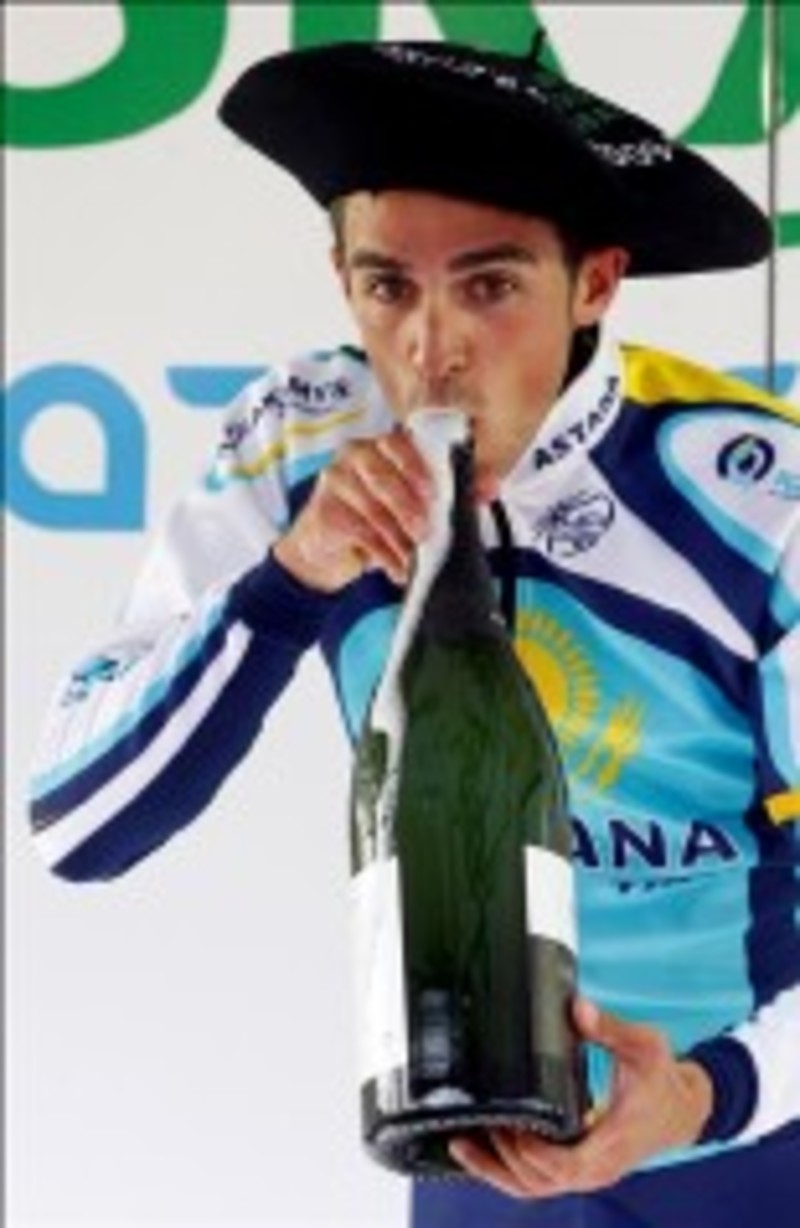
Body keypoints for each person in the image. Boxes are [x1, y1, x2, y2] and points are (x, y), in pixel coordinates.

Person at [29, 36, 800, 1228]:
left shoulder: (754, 496)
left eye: (489, 287)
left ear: (595, 282)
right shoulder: (303, 439)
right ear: (340, 276)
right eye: (388, 286)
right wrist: (289, 580)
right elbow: (78, 821)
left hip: (745, 1135)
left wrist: (707, 1093)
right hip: (471, 1152)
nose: (431, 349)